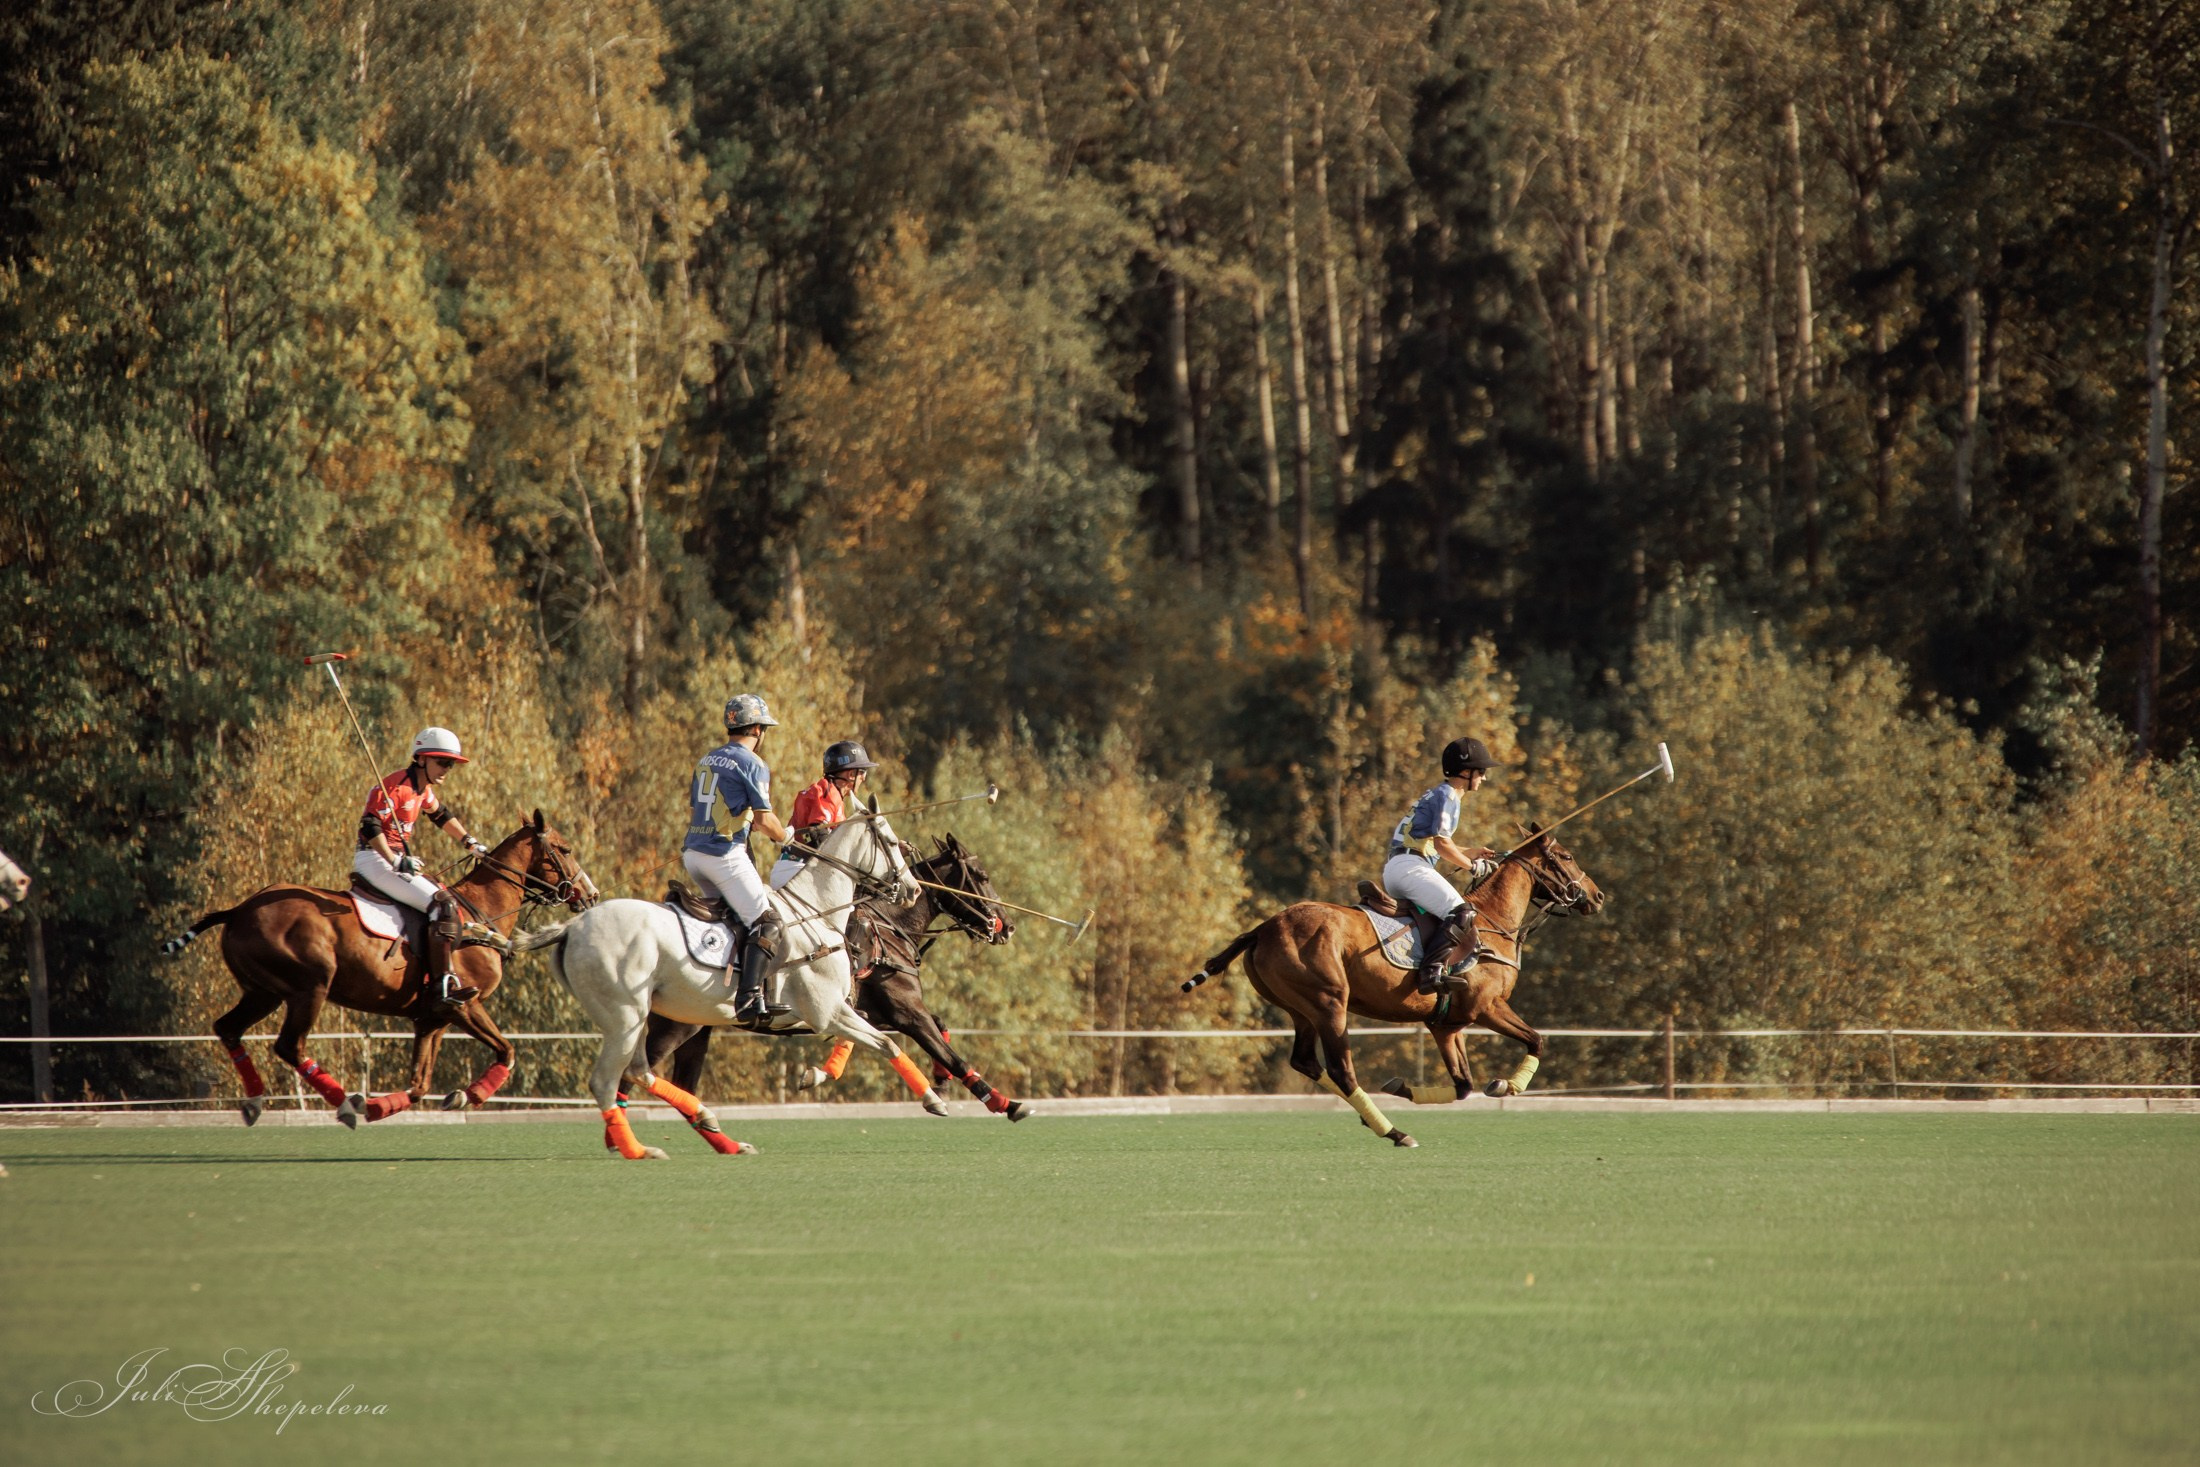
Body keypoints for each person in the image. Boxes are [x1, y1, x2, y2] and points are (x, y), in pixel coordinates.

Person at [352, 727, 493, 1008]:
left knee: (444, 898)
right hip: (376, 859)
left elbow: (440, 815)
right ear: (420, 759)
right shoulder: (397, 787)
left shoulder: (422, 790)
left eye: (450, 764)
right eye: (442, 762)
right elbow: (370, 826)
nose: (446, 769)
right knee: (442, 905)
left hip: (393, 861)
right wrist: (395, 860)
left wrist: (469, 842)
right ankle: (442, 984)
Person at [682, 694, 791, 1022]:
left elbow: (704, 808)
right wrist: (788, 837)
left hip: (693, 856)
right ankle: (748, 996)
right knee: (768, 921)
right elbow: (763, 820)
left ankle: (716, 982)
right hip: (723, 856)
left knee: (734, 917)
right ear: (757, 729)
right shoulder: (752, 763)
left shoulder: (707, 759)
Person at [1382, 736, 1503, 995]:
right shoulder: (1449, 795)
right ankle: (1431, 971)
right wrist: (1473, 867)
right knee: (1463, 913)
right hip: (1411, 868)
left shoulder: (1438, 793)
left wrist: (1472, 853)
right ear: (1465, 771)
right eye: (1481, 771)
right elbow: (1442, 847)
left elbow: (1438, 842)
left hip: (1400, 866)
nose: (1483, 777)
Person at [767, 740, 878, 889]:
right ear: (851, 774)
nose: (864, 778)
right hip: (797, 869)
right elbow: (818, 835)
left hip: (798, 867)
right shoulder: (827, 792)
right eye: (862, 772)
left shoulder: (832, 794)